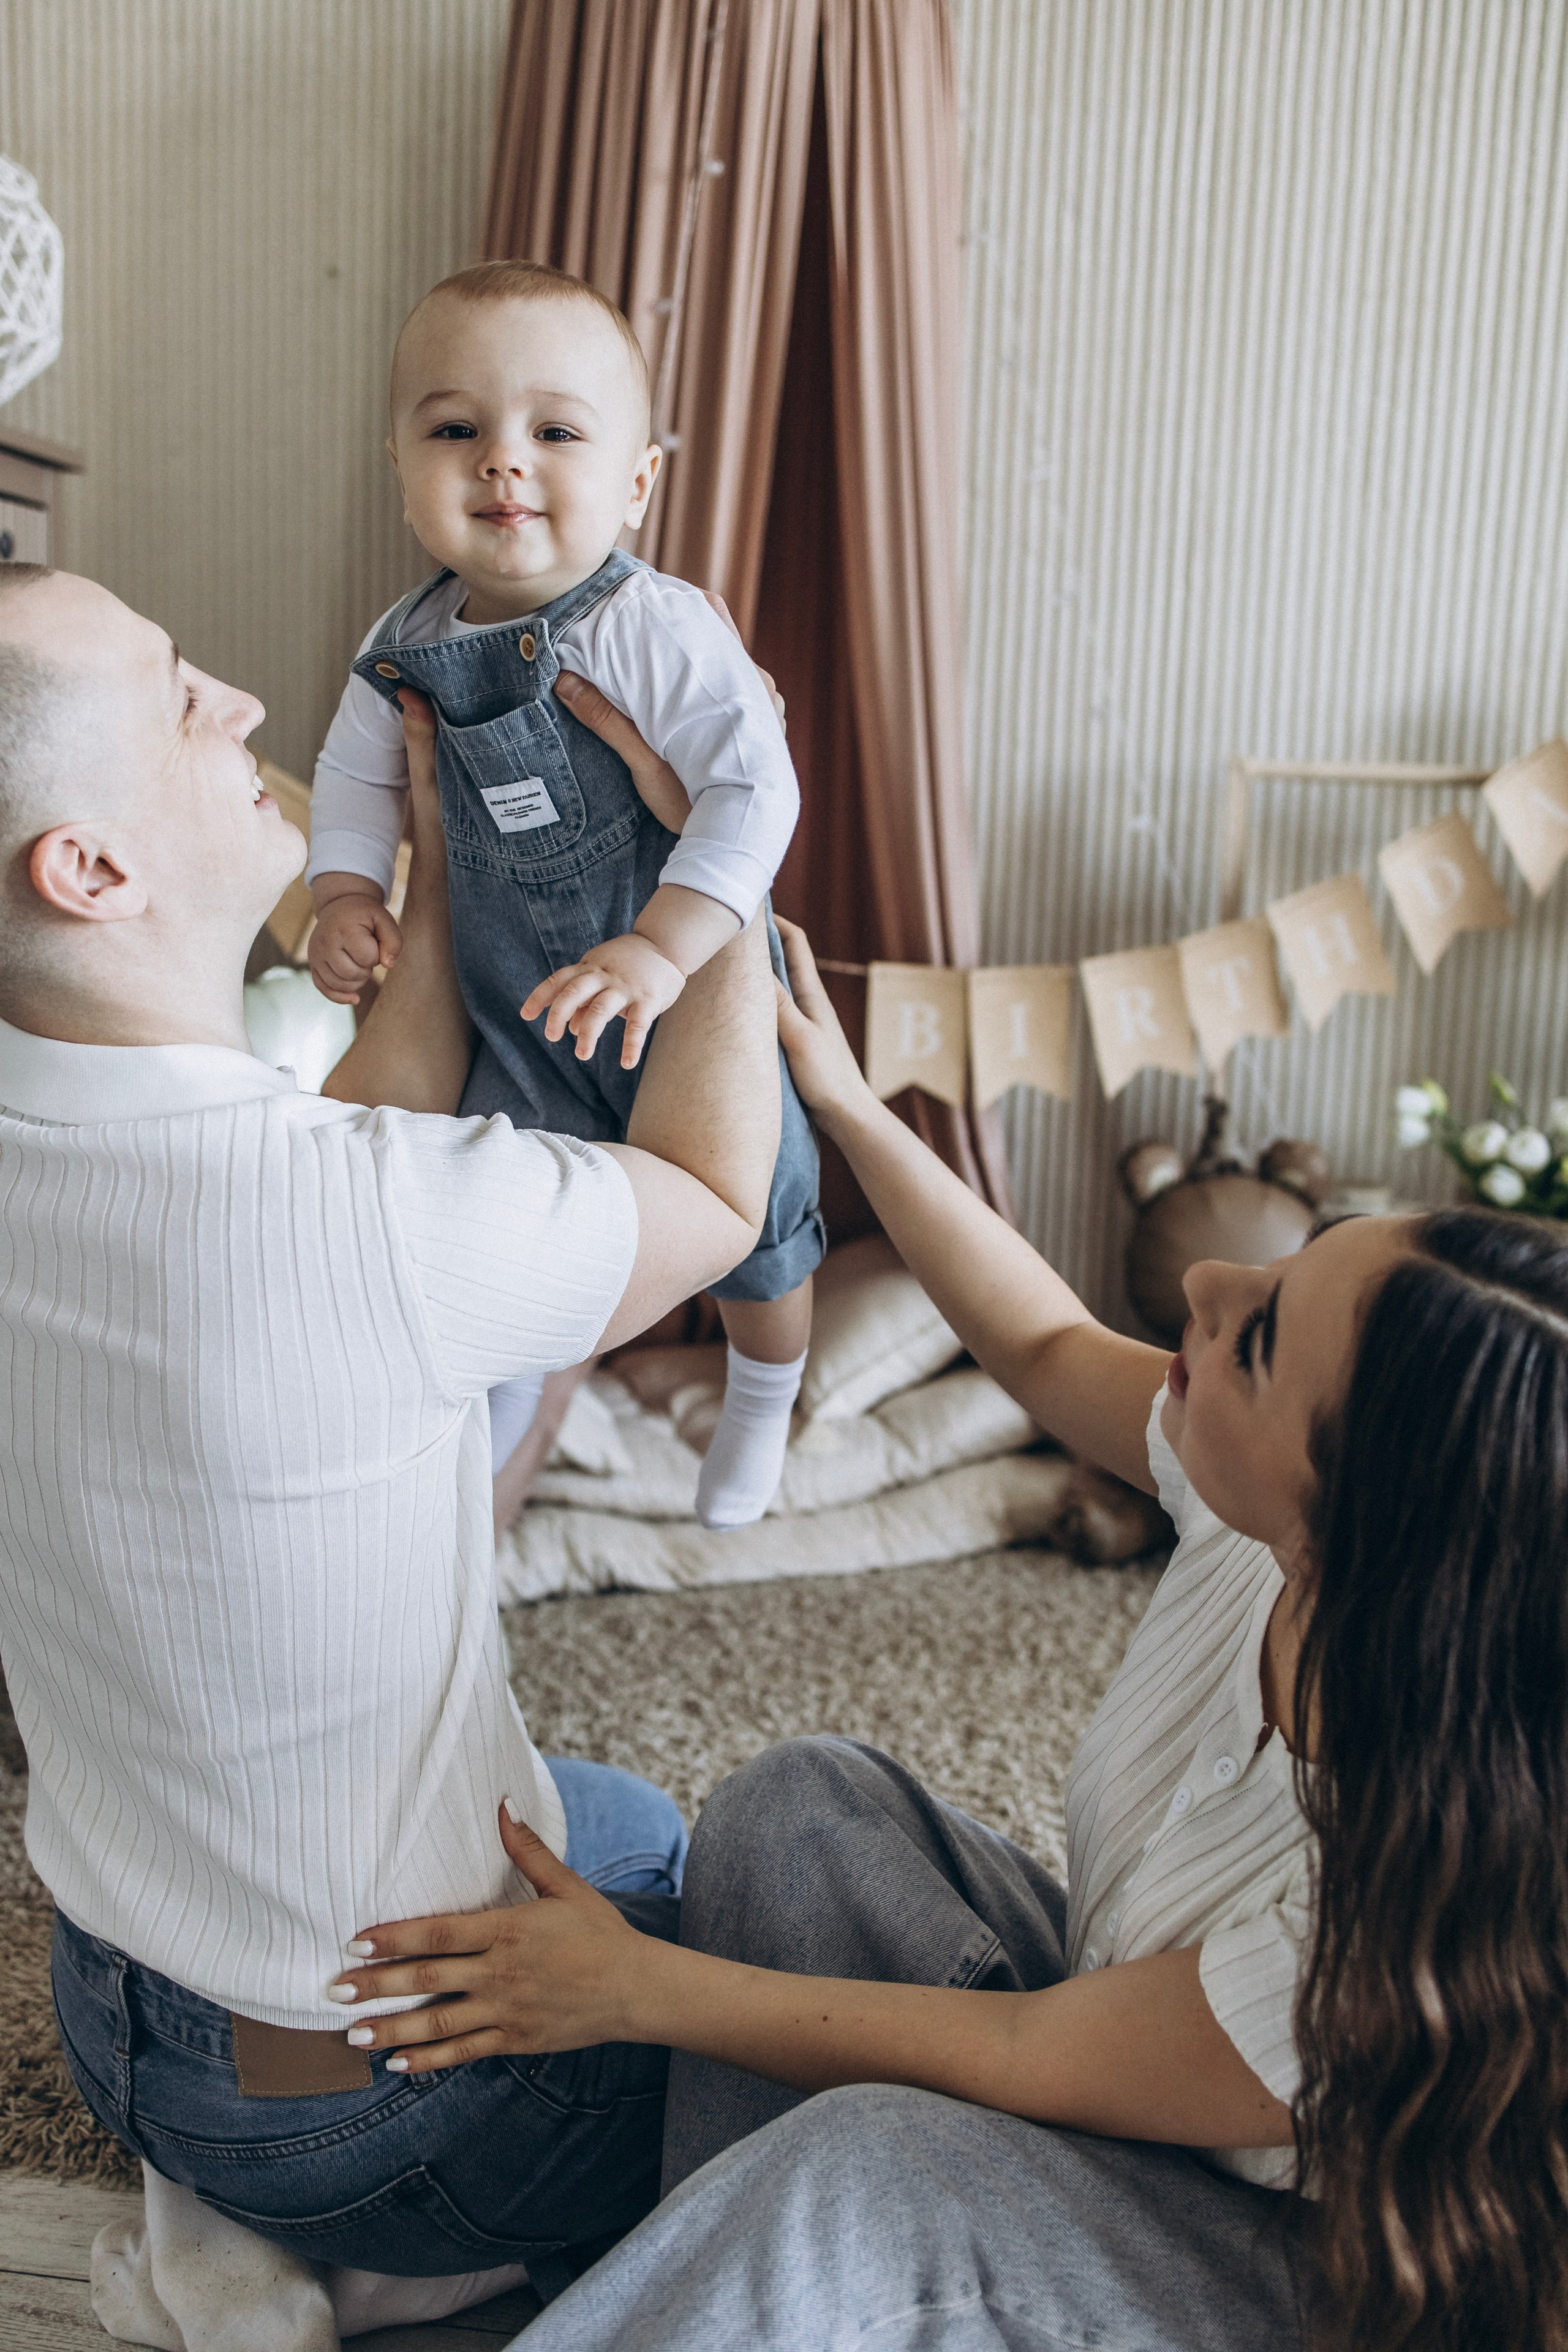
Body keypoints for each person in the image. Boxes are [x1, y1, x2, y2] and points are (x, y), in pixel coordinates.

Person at [336, 921, 1568, 2352]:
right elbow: (1041, 1344)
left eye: (1259, 1336)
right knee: (803, 1809)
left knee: (873, 2170)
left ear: (1348, 1535)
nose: (1204, 1291)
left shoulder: (1407, 1899)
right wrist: (848, 1110)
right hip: (1144, 2073)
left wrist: (632, 1989)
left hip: (1285, 2284)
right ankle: (711, 2292)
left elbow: (1033, 2053)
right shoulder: (1270, 1519)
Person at [0, 562, 784, 2321]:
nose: (249, 710)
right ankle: (429, 2287)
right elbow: (717, 1198)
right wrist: (712, 873)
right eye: (178, 691)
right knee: (752, 1978)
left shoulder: (101, 1150)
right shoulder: (351, 1220)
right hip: (368, 2115)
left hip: (116, 2015)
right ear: (94, 869)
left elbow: (347, 1133)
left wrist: (427, 896)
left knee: (623, 1821)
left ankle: (216, 2208)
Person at [305, 258, 824, 1529]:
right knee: (495, 1216)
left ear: (637, 480)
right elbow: (351, 780)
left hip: (673, 1009)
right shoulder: (403, 645)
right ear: (400, 461)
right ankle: (480, 1417)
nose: (501, 462)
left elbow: (755, 792)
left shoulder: (651, 626)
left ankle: (763, 1396)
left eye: (553, 430)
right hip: (513, 1014)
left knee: (759, 1224)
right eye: (454, 428)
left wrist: (662, 947)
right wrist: (340, 890)